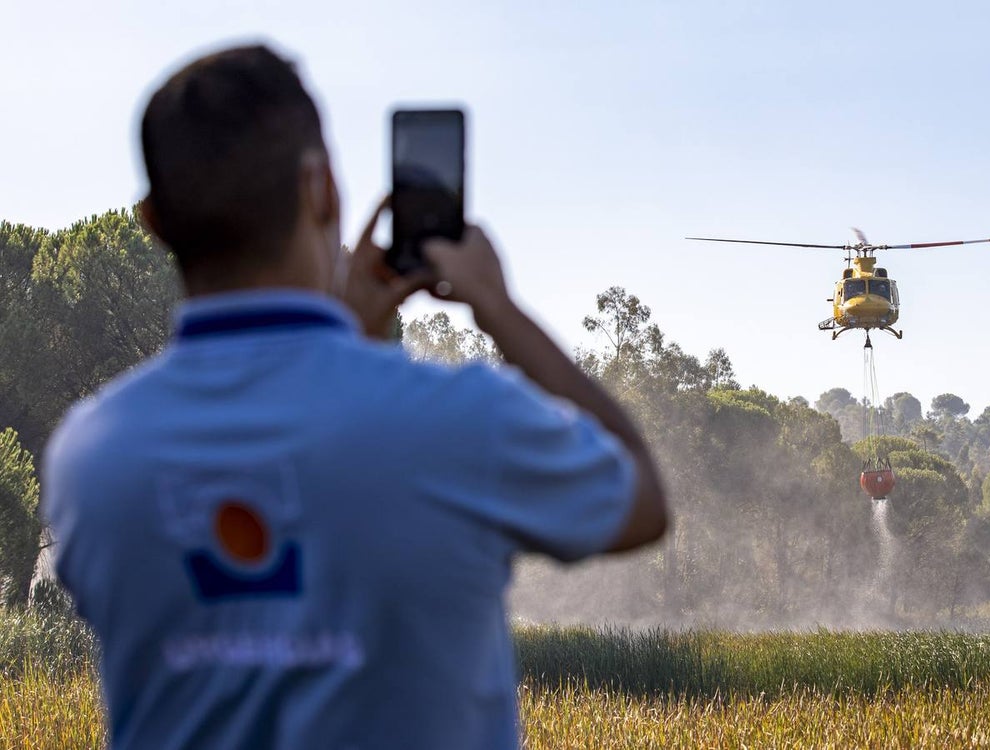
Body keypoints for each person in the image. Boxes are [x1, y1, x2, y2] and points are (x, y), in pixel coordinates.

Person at [42, 43, 667, 749]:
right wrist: (499, 309)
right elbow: (642, 498)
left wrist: (350, 337)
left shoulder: (87, 459)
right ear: (323, 190)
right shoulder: (462, 420)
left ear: (152, 221)